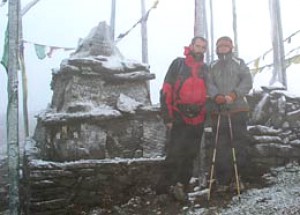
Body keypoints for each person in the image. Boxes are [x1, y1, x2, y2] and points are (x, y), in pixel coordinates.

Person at [156, 36, 208, 200]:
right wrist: (168, 117)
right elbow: (166, 90)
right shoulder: (178, 64)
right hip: (179, 116)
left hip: (198, 117)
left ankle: (181, 187)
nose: (199, 49)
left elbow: (209, 92)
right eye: (197, 46)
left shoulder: (205, 69)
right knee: (174, 153)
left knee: (190, 154)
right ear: (191, 46)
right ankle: (163, 190)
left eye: (202, 47)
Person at [206, 36, 253, 191]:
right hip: (218, 110)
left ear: (231, 48)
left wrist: (233, 95)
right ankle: (222, 179)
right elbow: (208, 83)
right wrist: (216, 96)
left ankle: (239, 177)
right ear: (217, 48)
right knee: (221, 145)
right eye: (220, 46)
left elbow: (247, 81)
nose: (223, 48)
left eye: (226, 46)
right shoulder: (212, 65)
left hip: (238, 108)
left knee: (239, 144)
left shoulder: (239, 63)